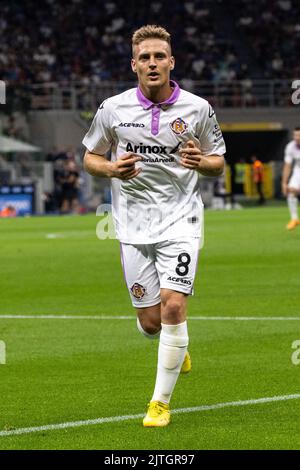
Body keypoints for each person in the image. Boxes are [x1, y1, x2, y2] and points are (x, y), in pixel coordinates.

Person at [82, 25, 226, 427]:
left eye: (159, 56)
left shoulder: (198, 109)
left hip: (182, 220)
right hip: (131, 226)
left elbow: (218, 160)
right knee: (151, 322)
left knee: (175, 305)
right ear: (134, 65)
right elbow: (90, 157)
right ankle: (175, 344)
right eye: (144, 57)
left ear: (171, 62)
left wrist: (203, 163)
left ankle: (159, 404)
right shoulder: (113, 108)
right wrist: (111, 167)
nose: (152, 63)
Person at [282, 127, 300, 230]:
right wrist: (284, 183)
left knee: (295, 191)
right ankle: (294, 219)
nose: (297, 138)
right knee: (290, 191)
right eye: (295, 135)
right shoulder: (290, 147)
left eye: (299, 135)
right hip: (298, 170)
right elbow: (287, 165)